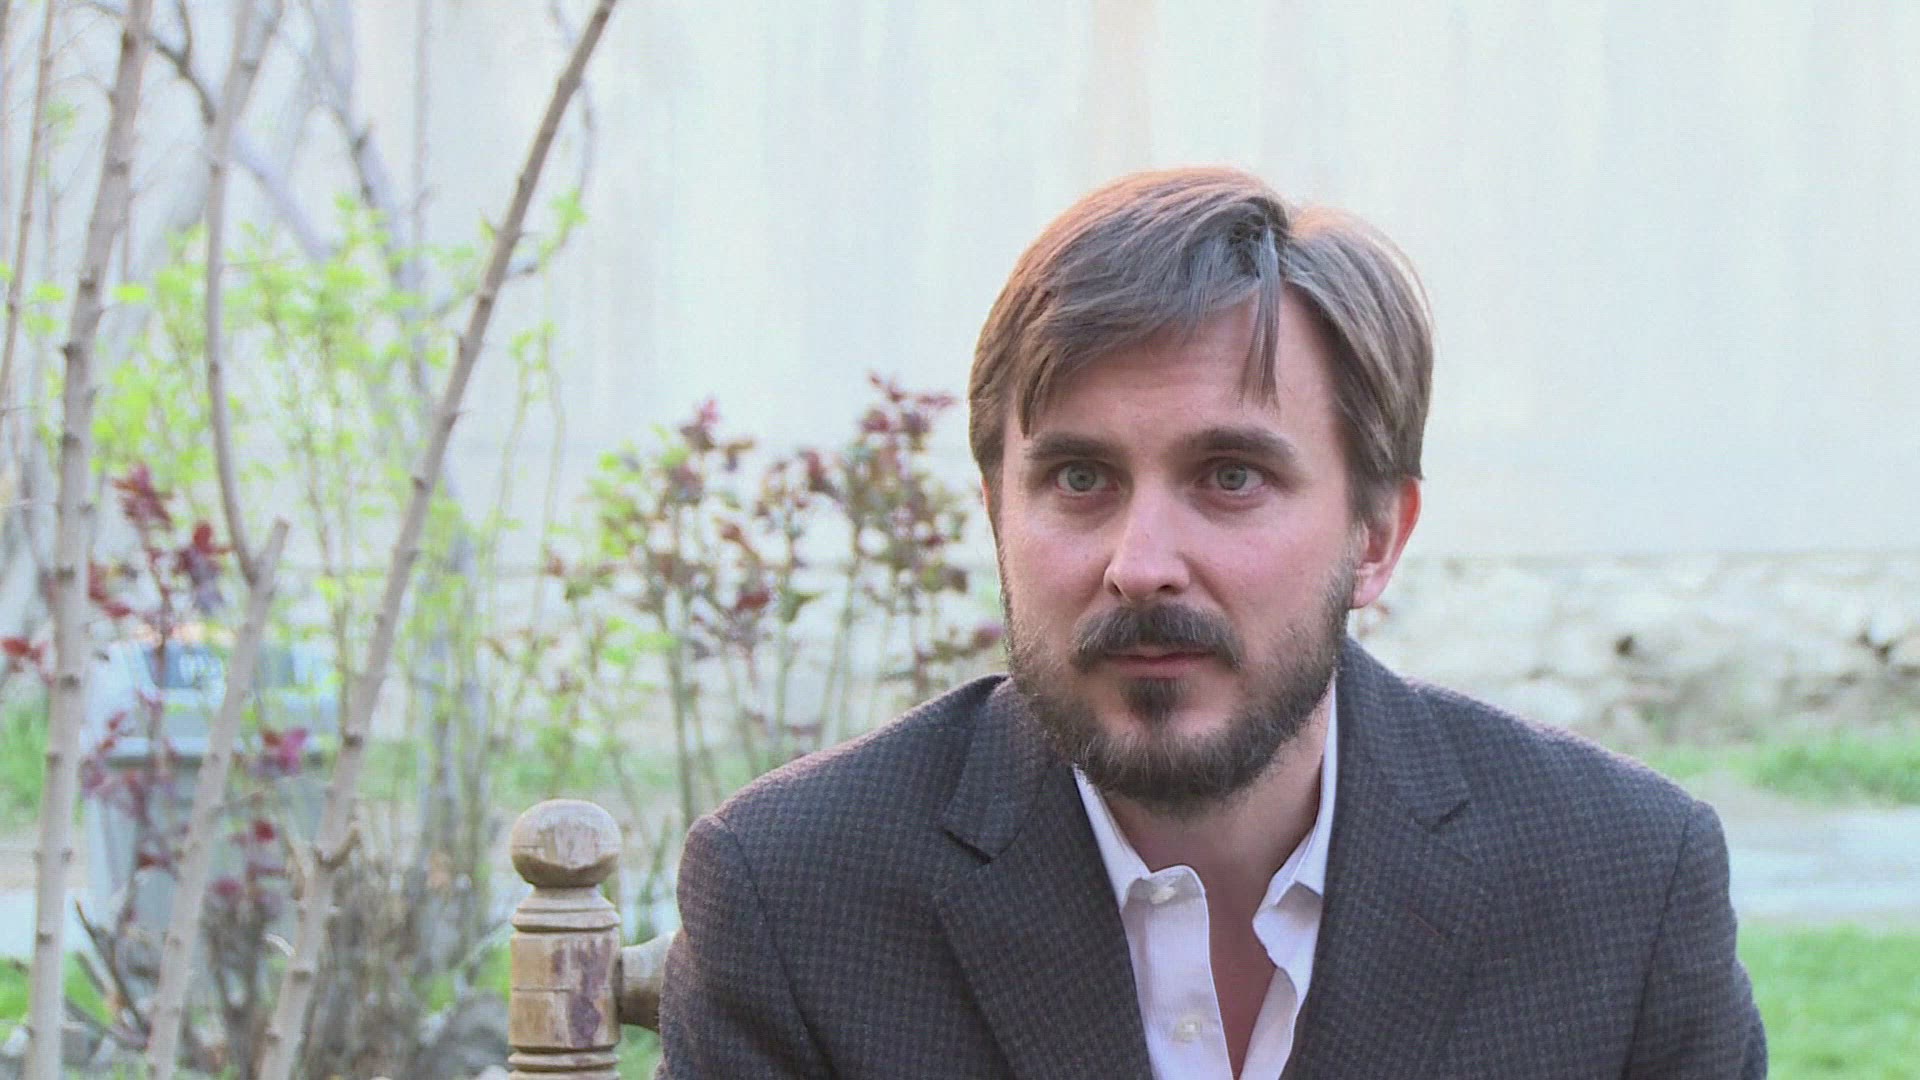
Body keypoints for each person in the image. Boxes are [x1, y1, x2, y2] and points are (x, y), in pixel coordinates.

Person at [656, 167, 1766, 1078]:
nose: (1141, 566)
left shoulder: (1623, 886)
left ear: (1376, 535)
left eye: (1231, 476)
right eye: (1080, 478)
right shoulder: (795, 898)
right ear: (996, 513)